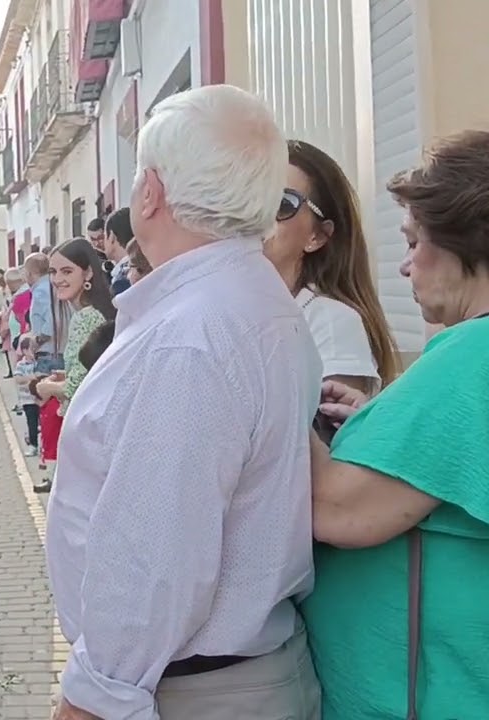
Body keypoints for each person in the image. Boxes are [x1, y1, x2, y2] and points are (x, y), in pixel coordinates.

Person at [46, 85, 323, 720]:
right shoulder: (249, 303)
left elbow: (155, 557)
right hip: (217, 677)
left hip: (187, 688)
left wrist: (92, 699)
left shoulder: (192, 335)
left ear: (151, 192)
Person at [301, 129, 489, 719]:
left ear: (469, 243)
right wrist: (372, 424)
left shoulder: (471, 355)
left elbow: (337, 510)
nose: (405, 265)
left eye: (414, 242)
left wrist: (272, 387)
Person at [264, 139, 401, 393]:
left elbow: (329, 431)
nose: (259, 215)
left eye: (282, 203)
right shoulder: (243, 309)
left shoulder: (331, 321)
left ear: (317, 236)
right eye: (251, 198)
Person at [33, 239, 116, 493]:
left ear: (88, 272)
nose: (58, 279)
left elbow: (78, 386)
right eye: (53, 272)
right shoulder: (96, 312)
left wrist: (46, 388)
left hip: (85, 432)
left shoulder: (86, 317)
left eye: (67, 271)